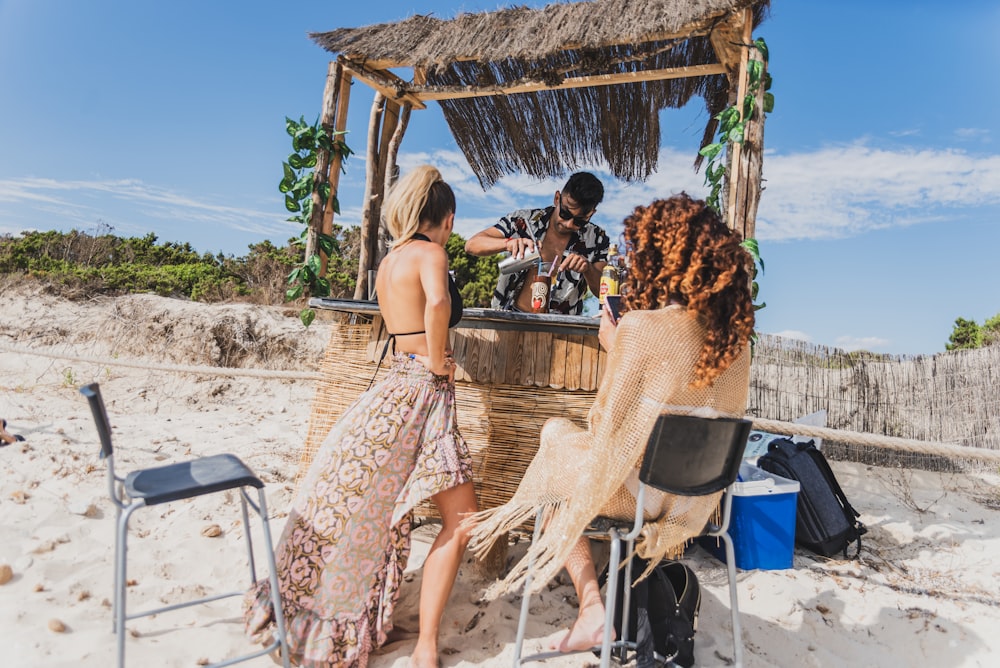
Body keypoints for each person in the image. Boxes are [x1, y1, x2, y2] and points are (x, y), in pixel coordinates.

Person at [465, 193, 756, 653]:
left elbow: (607, 430)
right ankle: (596, 608)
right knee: (560, 449)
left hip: (640, 496)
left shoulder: (644, 327)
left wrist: (616, 345)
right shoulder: (736, 345)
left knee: (555, 451)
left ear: (662, 257)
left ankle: (592, 610)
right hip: (695, 505)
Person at [245, 165, 478, 668]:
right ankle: (427, 648)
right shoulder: (433, 252)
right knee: (461, 520)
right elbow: (437, 302)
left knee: (388, 509)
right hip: (423, 390)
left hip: (395, 381)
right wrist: (438, 359)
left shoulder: (390, 259)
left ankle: (378, 624)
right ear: (448, 219)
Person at [464, 172, 610, 314]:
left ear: (592, 214)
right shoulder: (523, 220)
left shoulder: (597, 238)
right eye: (565, 214)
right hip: (509, 321)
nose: (569, 224)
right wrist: (508, 243)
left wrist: (588, 269)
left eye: (579, 221)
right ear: (557, 198)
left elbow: (603, 292)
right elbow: (472, 245)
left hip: (561, 330)